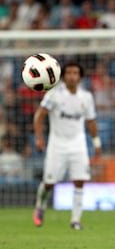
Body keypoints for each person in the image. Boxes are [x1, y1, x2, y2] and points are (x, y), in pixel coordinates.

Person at [32, 62, 102, 230]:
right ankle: (40, 206)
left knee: (80, 181)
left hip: (78, 144)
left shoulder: (86, 97)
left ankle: (75, 220)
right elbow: (39, 115)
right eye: (69, 73)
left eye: (75, 73)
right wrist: (39, 138)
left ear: (80, 76)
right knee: (49, 183)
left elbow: (91, 121)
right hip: (57, 145)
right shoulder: (54, 94)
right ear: (64, 76)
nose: (72, 76)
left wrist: (96, 142)